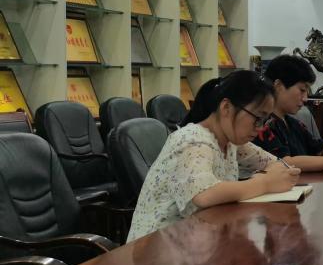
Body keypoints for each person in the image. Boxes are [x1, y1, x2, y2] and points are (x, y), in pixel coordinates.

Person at [127, 71, 300, 241]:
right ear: (226, 107)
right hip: (157, 246)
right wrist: (265, 183)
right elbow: (205, 194)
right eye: (258, 118)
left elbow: (275, 163)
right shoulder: (192, 139)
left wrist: (282, 173)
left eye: (265, 121)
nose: (261, 128)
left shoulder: (231, 142)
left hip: (198, 238)